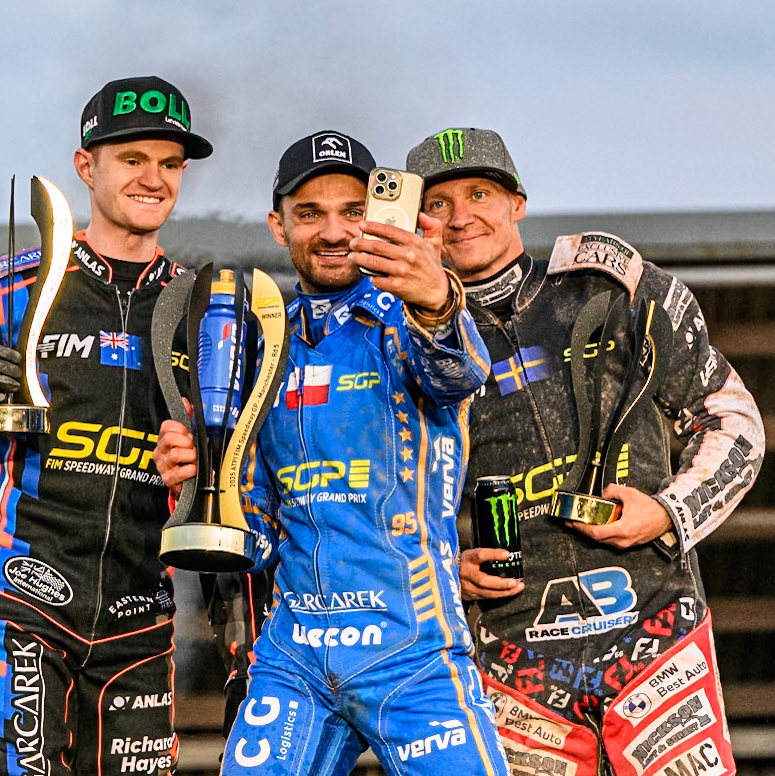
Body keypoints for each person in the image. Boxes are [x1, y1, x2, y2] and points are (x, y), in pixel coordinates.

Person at [405, 128, 765, 776]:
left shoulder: (612, 292)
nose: (460, 217)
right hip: (512, 662)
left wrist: (664, 512)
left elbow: (734, 422)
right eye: (437, 204)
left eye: (479, 193)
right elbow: (374, 496)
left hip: (657, 636)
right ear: (413, 221)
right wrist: (439, 570)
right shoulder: (399, 343)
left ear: (516, 202)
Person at [153, 130, 509, 775]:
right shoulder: (258, 340)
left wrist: (436, 299)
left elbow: (458, 374)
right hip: (296, 658)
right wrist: (200, 482)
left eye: (352, 212)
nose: (333, 231)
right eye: (310, 213)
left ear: (377, 217)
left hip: (414, 650)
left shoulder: (409, 315)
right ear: (277, 225)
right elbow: (256, 534)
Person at [0, 76, 214, 776]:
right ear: (85, 166)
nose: (153, 178)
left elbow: (242, 478)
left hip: (143, 618)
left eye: (169, 163)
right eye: (132, 158)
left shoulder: (207, 308)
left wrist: (204, 467)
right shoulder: (12, 286)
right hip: (24, 605)